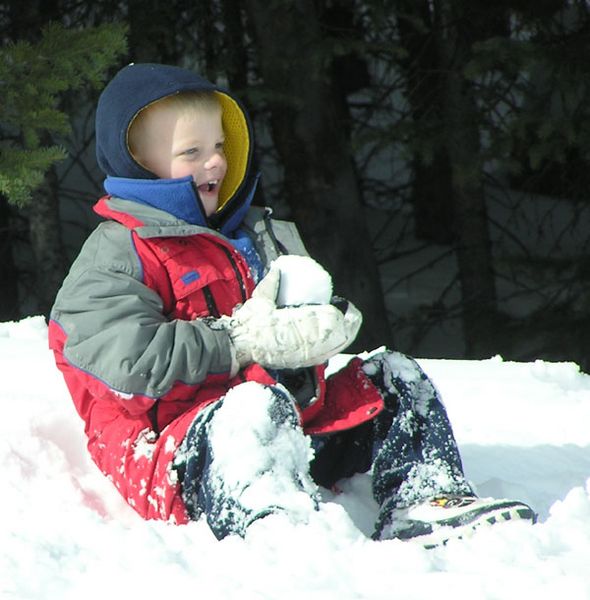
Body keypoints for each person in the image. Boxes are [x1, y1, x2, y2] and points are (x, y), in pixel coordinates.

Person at [49, 62, 535, 547]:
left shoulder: (253, 232)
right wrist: (237, 342)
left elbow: (289, 322)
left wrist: (320, 319)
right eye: (191, 152)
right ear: (140, 164)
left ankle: (425, 498)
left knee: (394, 378)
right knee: (250, 408)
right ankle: (279, 533)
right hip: (180, 455)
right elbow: (128, 361)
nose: (215, 162)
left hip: (288, 427)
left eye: (219, 146)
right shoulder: (117, 253)